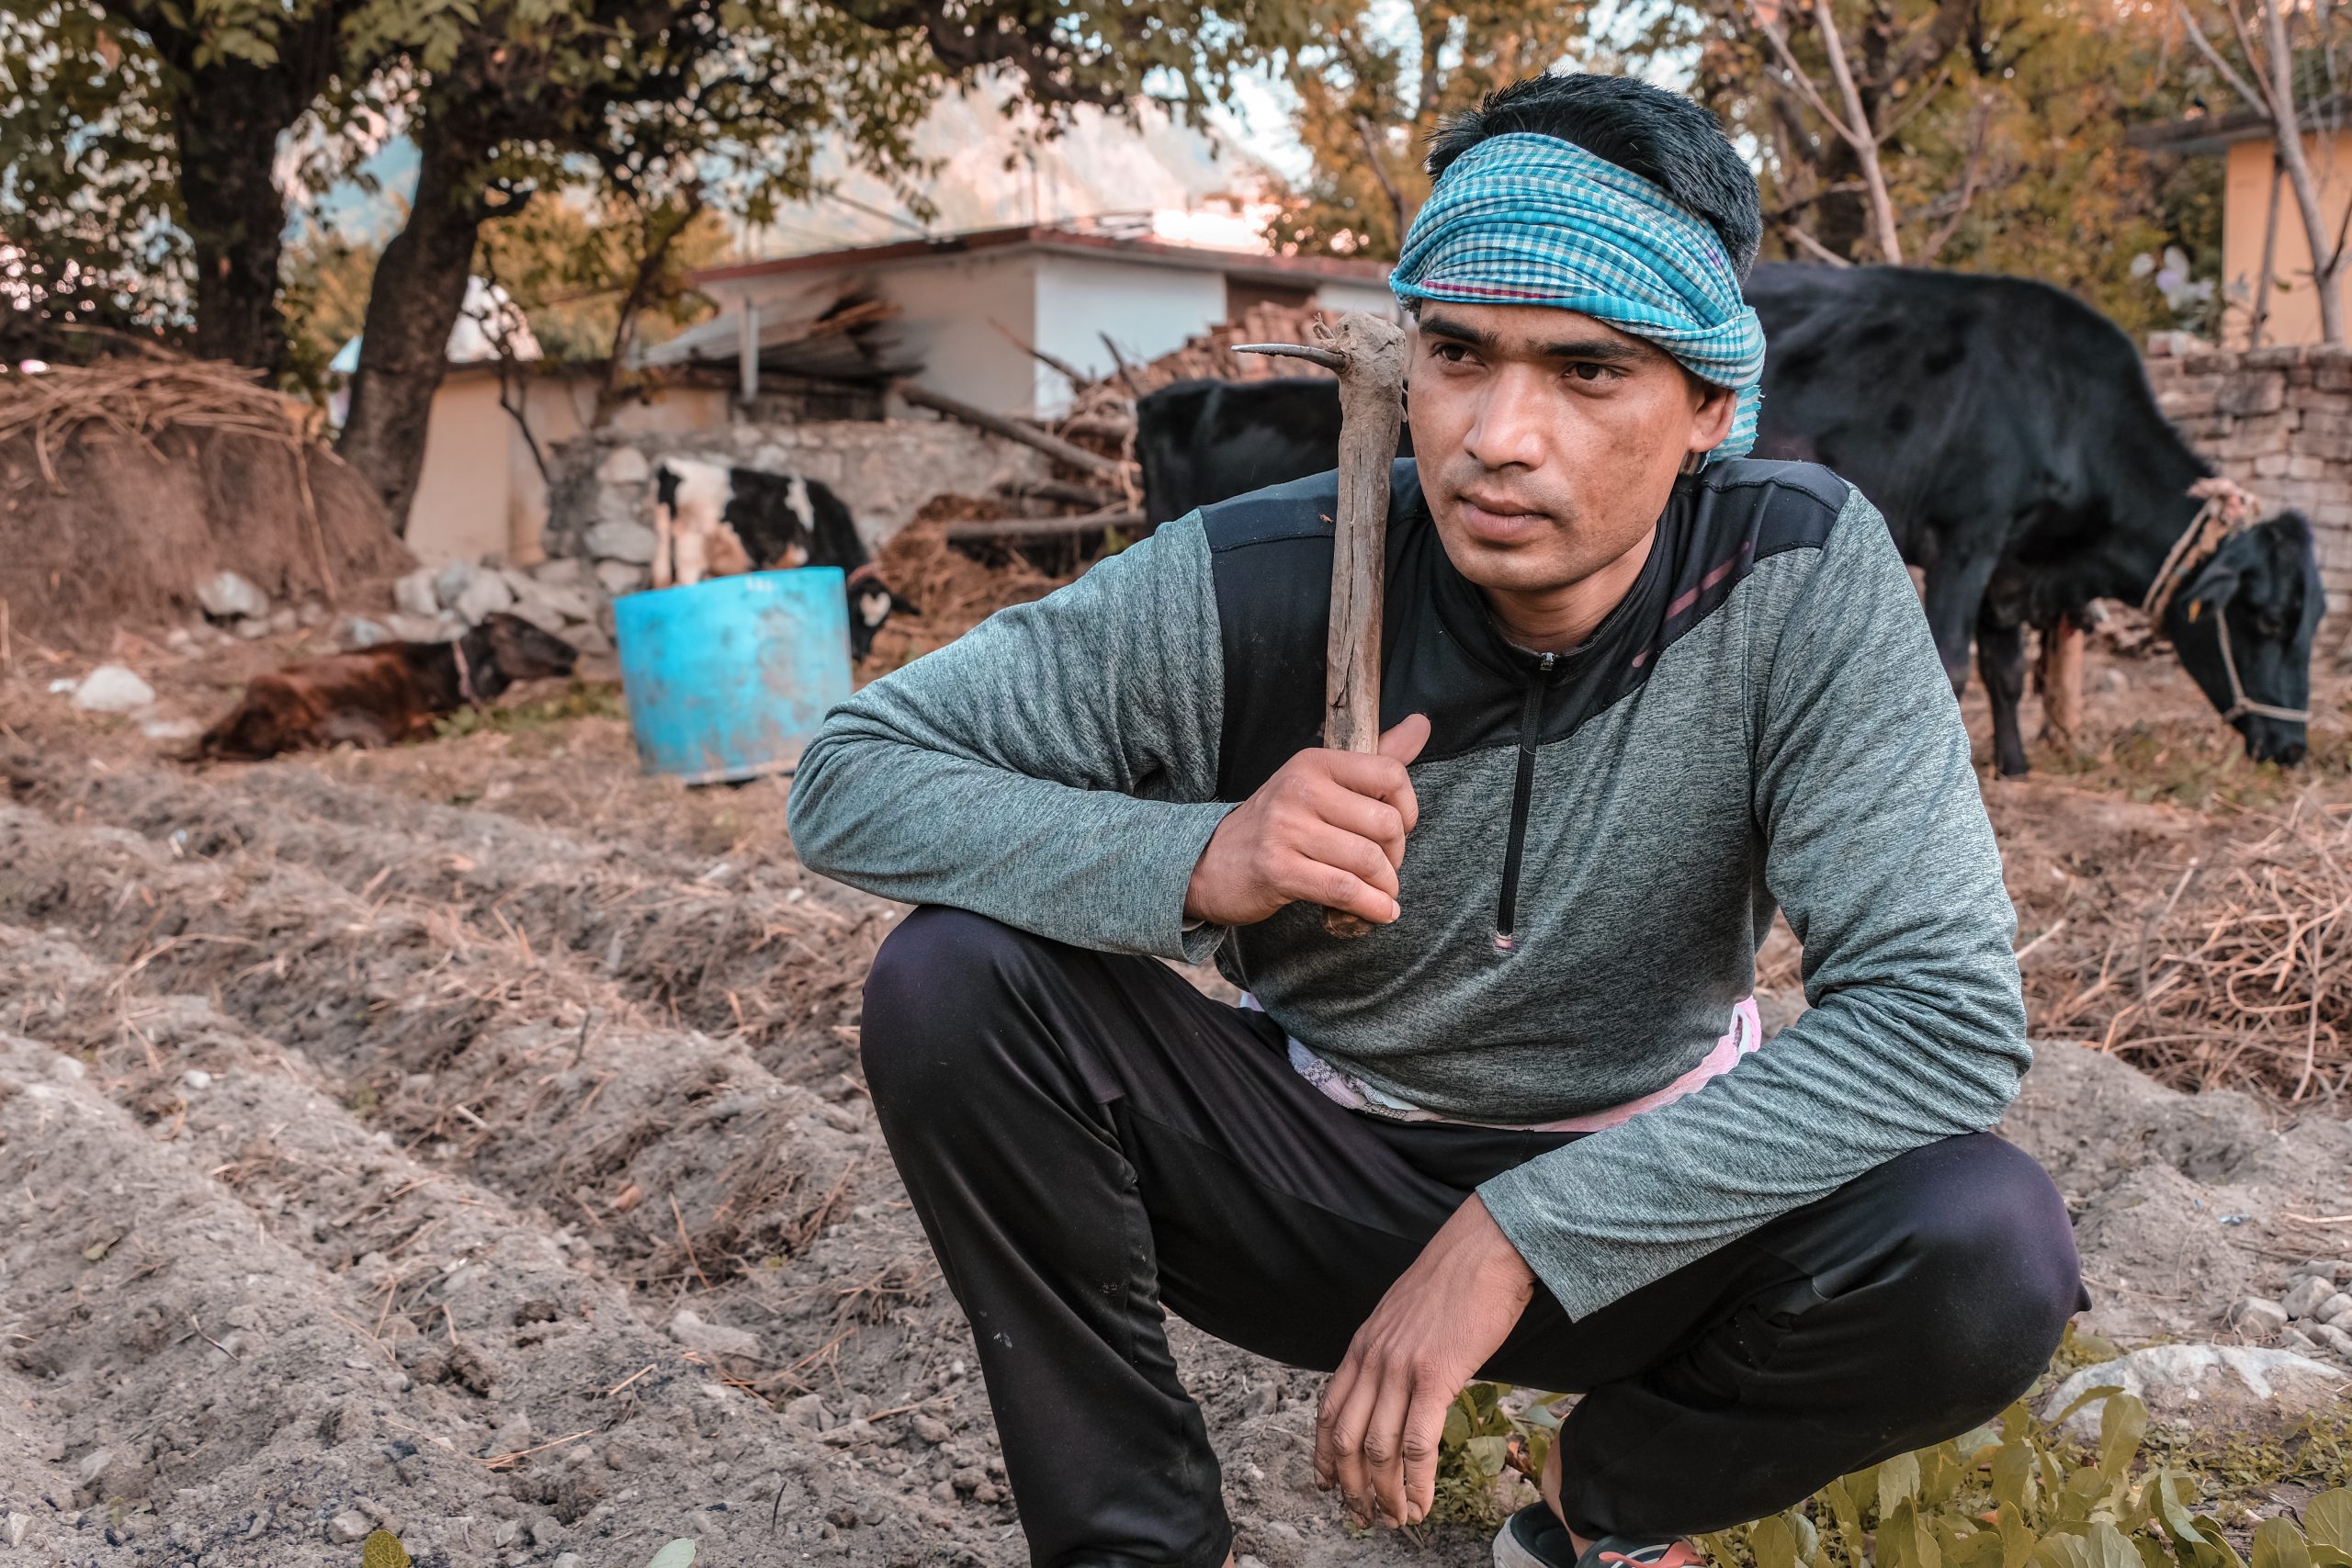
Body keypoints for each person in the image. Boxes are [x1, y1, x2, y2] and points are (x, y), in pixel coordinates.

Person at [786, 70, 2086, 1568]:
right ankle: (1136, 1547)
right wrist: (1204, 859)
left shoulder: (1795, 578)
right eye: (1458, 354)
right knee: (951, 982)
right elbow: (852, 772)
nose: (1498, 437)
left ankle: (1604, 1518)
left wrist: (1524, 1234)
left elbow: (1944, 1018)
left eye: (1588, 372)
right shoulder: (1259, 572)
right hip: (1313, 1170)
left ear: (1712, 406)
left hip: (1660, 1216)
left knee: (1989, 1247)